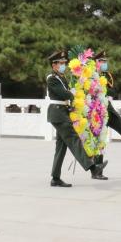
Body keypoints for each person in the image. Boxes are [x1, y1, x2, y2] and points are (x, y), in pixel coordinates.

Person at [46, 50, 107, 187]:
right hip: (57, 113)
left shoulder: (61, 77)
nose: (63, 65)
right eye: (61, 63)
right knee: (74, 139)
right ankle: (93, 168)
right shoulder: (52, 78)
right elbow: (64, 94)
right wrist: (71, 94)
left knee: (61, 147)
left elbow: (68, 93)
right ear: (54, 65)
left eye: (64, 63)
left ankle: (55, 178)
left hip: (62, 111)